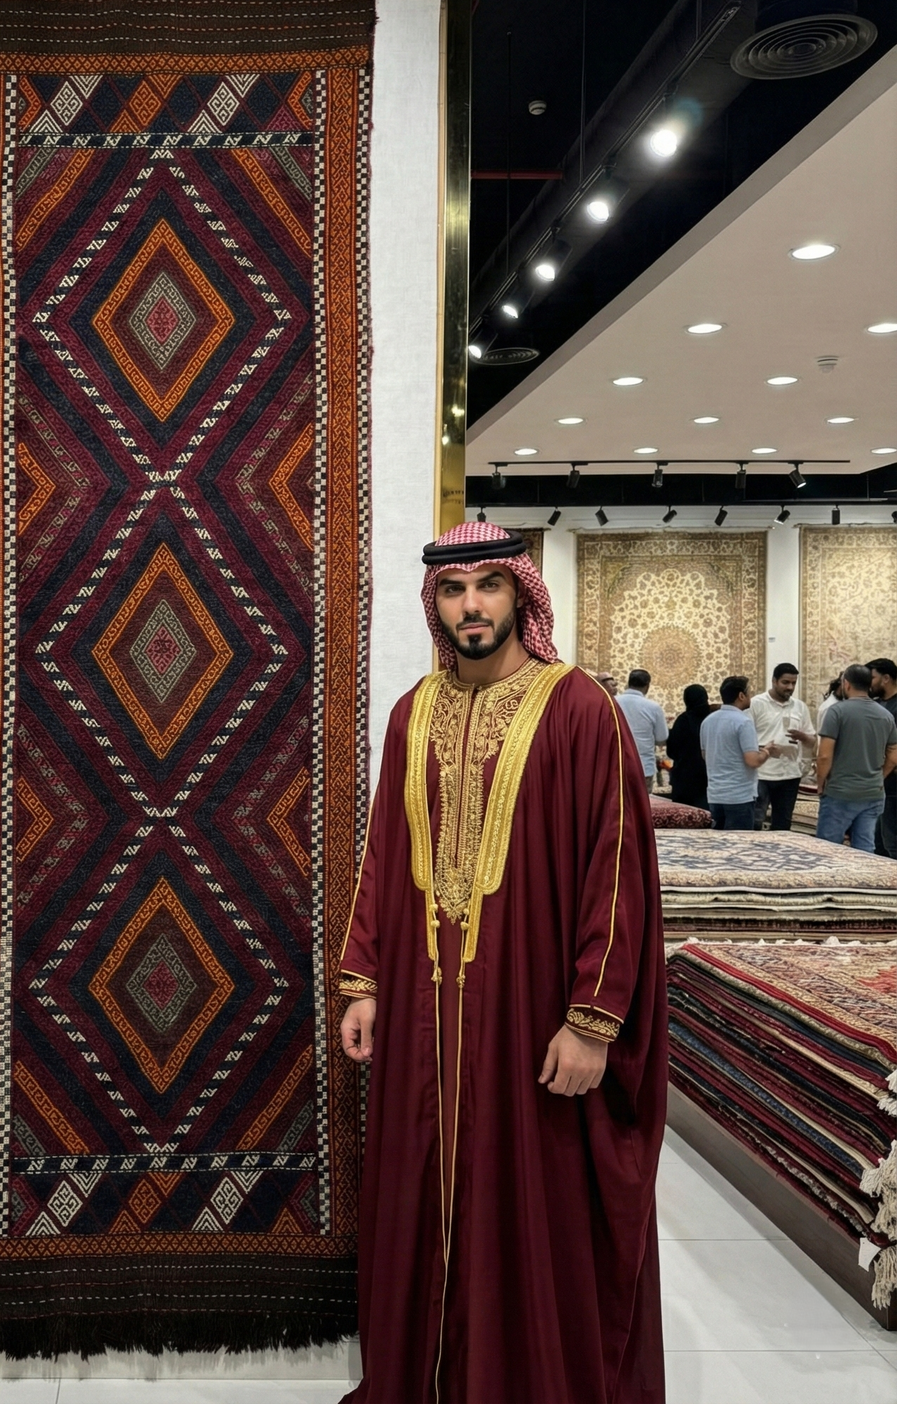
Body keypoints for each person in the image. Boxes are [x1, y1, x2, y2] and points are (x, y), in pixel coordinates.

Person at [339, 522, 666, 1404]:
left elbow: (616, 871)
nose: (471, 605)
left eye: (488, 585)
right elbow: (382, 852)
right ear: (434, 602)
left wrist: (592, 1018)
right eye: (453, 589)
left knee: (532, 1204)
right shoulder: (412, 712)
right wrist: (362, 977)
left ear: (521, 594)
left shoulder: (576, 707)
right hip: (420, 1015)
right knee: (423, 1195)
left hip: (532, 1016)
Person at [815, 663, 897, 853]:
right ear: (869, 685)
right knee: (865, 848)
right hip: (873, 793)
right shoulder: (885, 715)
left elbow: (824, 755)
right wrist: (879, 776)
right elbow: (893, 757)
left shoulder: (837, 712)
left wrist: (820, 783)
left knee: (827, 848)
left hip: (840, 792)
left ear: (846, 684)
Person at [699, 676, 773, 831]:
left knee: (717, 844)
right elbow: (752, 760)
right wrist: (767, 751)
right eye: (749, 693)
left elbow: (705, 755)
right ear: (741, 696)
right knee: (738, 846)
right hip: (739, 796)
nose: (751, 697)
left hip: (714, 794)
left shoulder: (708, 721)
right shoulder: (743, 722)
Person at [749, 663, 817, 830]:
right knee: (755, 822)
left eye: (793, 683)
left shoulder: (799, 706)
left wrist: (802, 736)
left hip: (789, 775)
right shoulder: (756, 704)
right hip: (761, 774)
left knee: (783, 824)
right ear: (774, 681)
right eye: (785, 682)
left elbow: (812, 740)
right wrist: (766, 749)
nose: (790, 687)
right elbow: (745, 739)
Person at [614, 668, 669, 793]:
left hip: (616, 765)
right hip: (644, 766)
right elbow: (662, 738)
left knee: (618, 807)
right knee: (642, 808)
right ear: (647, 685)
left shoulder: (613, 702)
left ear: (629, 683)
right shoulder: (653, 707)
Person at [866, 659, 897, 855]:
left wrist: (881, 776)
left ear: (886, 678)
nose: (869, 683)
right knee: (877, 843)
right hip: (878, 782)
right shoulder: (875, 705)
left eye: (872, 678)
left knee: (892, 841)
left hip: (891, 781)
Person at [665, 684, 710, 808]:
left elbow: (672, 751)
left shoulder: (683, 721)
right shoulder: (712, 718)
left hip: (684, 779)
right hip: (708, 777)